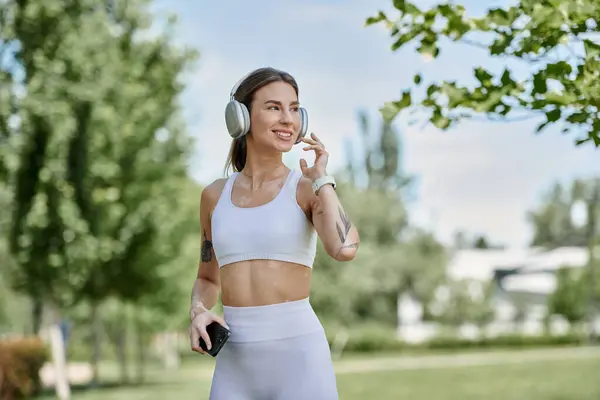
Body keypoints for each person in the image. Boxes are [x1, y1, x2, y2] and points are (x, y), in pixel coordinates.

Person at [187, 67, 360, 400]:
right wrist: (198, 311)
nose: (288, 119)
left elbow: (345, 248)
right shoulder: (213, 197)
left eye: (294, 109)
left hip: (300, 360)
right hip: (235, 365)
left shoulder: (307, 189)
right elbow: (207, 280)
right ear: (241, 117)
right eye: (274, 107)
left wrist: (323, 179)